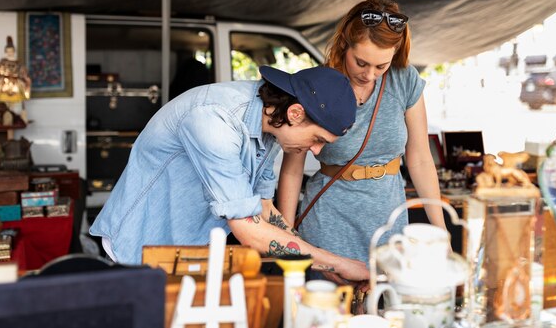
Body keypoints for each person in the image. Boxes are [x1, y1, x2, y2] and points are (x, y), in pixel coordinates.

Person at [90, 65, 371, 282]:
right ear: (296, 113)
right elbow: (248, 230)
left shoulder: (270, 123)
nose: (317, 151)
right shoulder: (214, 120)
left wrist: (319, 263)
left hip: (188, 249)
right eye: (318, 139)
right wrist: (336, 262)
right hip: (140, 247)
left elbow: (261, 207)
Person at [277, 0, 446, 273]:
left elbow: (420, 160)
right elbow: (292, 170)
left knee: (385, 309)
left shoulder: (405, 79)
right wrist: (285, 239)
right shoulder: (319, 84)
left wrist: (441, 233)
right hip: (329, 220)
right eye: (361, 63)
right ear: (345, 43)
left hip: (388, 218)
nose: (370, 75)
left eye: (382, 66)